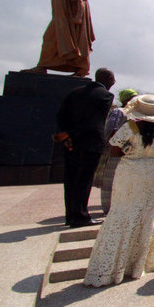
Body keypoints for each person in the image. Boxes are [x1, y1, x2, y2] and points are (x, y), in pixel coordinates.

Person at [83, 94, 154, 287]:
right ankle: (137, 264)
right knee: (146, 215)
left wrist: (133, 151)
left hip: (130, 172)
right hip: (152, 174)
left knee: (122, 212)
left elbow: (114, 151)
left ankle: (111, 265)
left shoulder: (129, 128)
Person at [0, 0, 95, 77]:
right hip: (60, 21)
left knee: (77, 44)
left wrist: (78, 17)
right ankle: (42, 66)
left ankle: (82, 70)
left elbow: (81, 0)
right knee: (49, 39)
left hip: (70, 21)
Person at [54, 68, 115, 227]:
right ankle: (81, 215)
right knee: (84, 180)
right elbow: (95, 122)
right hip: (91, 142)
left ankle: (71, 215)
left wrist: (67, 135)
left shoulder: (74, 92)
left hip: (70, 142)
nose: (114, 82)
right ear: (108, 79)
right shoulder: (105, 95)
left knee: (71, 179)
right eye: (113, 79)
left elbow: (61, 116)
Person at [93, 88, 138, 214]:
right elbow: (112, 130)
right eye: (132, 98)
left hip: (128, 152)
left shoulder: (134, 114)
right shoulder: (119, 112)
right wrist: (122, 143)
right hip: (115, 150)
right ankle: (109, 208)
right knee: (110, 180)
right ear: (125, 100)